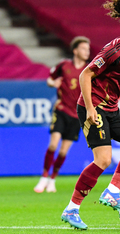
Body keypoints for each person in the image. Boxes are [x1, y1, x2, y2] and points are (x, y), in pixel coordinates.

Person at [61, 0, 120, 230]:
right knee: (102, 160)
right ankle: (72, 209)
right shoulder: (114, 50)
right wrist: (90, 109)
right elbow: (85, 74)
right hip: (93, 108)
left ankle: (112, 191)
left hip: (111, 108)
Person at [34, 36, 90, 193]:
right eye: (84, 48)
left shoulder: (89, 70)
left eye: (88, 49)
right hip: (61, 109)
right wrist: (53, 83)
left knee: (64, 151)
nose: (87, 51)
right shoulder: (64, 65)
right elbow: (50, 80)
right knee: (53, 144)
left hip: (76, 115)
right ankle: (44, 177)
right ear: (75, 50)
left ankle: (53, 179)